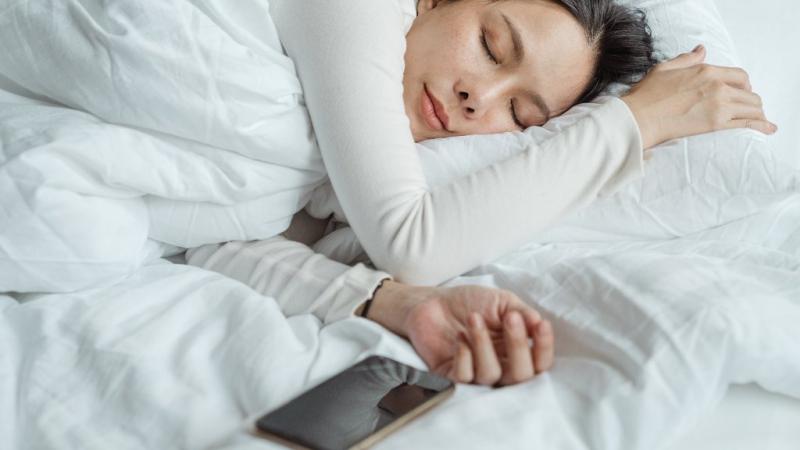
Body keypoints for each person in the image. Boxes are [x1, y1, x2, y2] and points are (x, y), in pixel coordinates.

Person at [188, 0, 774, 387]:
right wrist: (634, 125)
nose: (479, 98)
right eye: (492, 46)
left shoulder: (331, 167)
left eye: (519, 113)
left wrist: (395, 304)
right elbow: (413, 244)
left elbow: (210, 243)